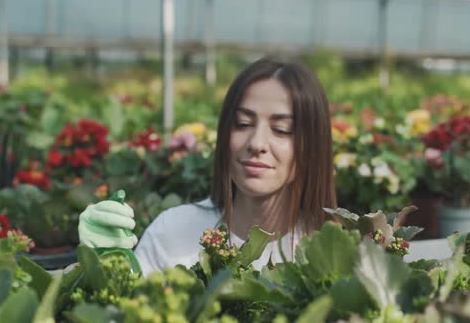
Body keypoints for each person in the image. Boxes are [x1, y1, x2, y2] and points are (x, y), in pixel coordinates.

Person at [78, 56, 337, 276]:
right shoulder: (174, 232)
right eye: (243, 124)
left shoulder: (330, 252)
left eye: (282, 130)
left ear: (312, 146)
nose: (257, 143)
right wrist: (99, 269)